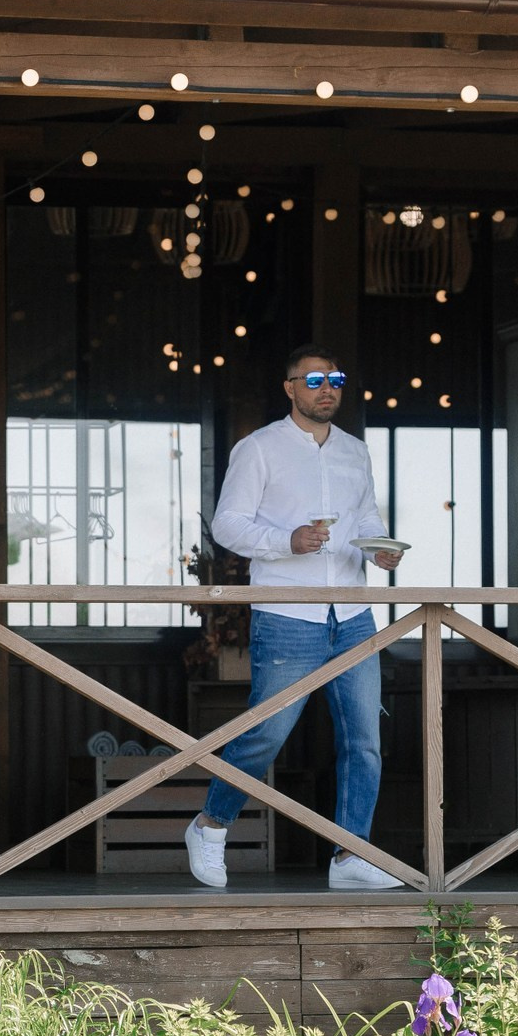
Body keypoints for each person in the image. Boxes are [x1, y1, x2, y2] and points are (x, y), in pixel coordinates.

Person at [184, 345, 408, 892]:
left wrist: (379, 549)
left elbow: (367, 517)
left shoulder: (356, 452)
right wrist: (287, 541)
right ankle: (210, 827)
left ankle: (350, 854)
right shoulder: (258, 448)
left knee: (364, 740)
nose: (326, 388)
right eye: (313, 380)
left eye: (335, 378)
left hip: (354, 613)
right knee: (265, 734)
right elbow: (227, 526)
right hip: (288, 614)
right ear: (290, 388)